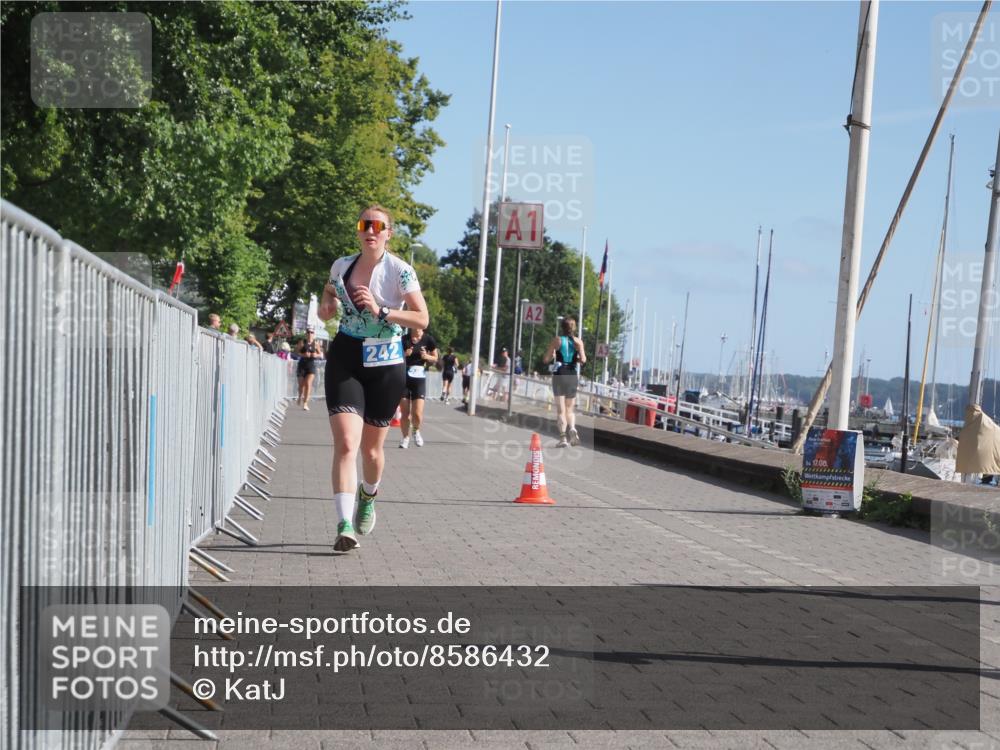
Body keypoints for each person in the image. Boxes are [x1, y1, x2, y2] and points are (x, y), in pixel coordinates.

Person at [318, 204, 428, 553]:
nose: (370, 230)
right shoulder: (342, 265)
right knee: (347, 444)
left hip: (385, 362)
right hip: (347, 356)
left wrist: (382, 310)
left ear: (388, 233)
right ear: (358, 230)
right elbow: (329, 290)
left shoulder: (400, 271)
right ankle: (344, 524)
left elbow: (422, 318)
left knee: (371, 449)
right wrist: (326, 305)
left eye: (378, 226)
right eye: (364, 224)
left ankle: (369, 495)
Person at [543, 316, 586, 447]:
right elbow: (583, 360)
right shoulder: (578, 342)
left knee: (561, 410)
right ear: (574, 328)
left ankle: (563, 438)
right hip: (572, 374)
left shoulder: (557, 340)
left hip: (560, 374)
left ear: (562, 327)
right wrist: (576, 359)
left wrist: (553, 356)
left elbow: (546, 359)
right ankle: (572, 428)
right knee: (570, 409)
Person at [398, 327, 438, 448]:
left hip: (419, 378)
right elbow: (395, 356)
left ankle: (416, 430)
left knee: (417, 413)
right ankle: (405, 438)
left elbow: (435, 358)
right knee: (404, 413)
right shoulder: (404, 339)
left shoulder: (428, 340)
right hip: (404, 378)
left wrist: (426, 356)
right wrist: (405, 354)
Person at [296, 327, 323, 409]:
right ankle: (300, 396)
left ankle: (305, 403)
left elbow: (321, 355)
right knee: (301, 385)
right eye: (308, 332)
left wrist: (316, 355)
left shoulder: (316, 343)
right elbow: (297, 352)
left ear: (314, 334)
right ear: (306, 334)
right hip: (302, 365)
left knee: (308, 384)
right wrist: (303, 355)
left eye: (311, 332)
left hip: (311, 365)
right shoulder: (302, 342)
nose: (310, 334)